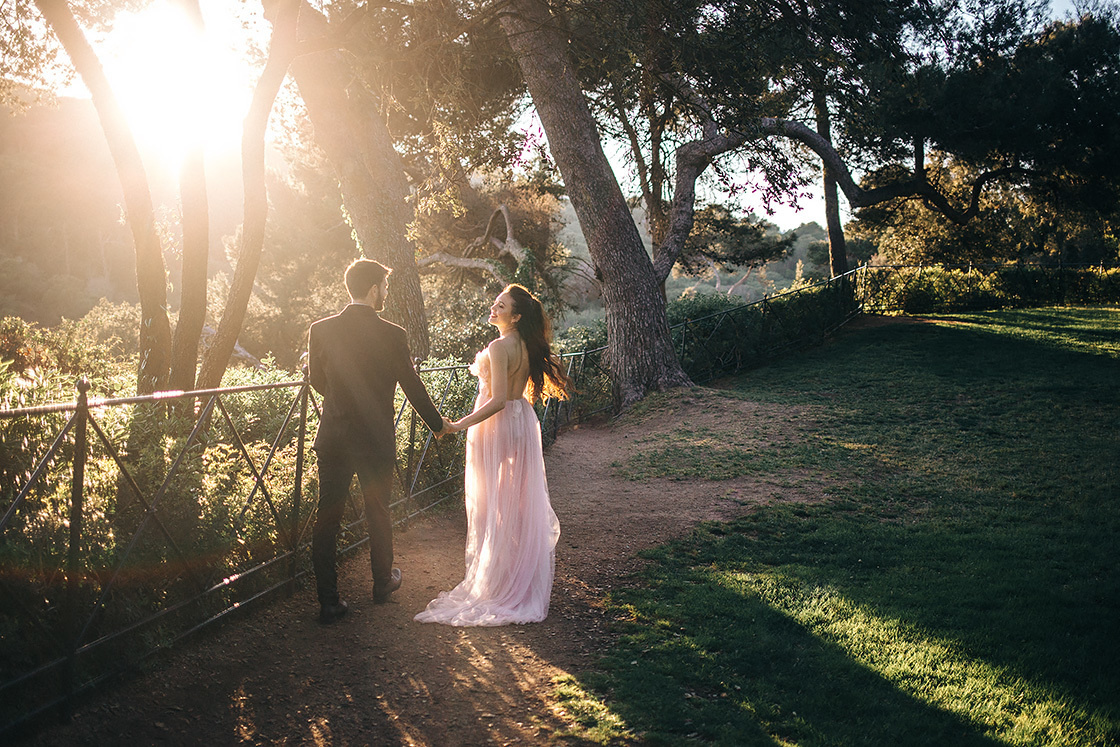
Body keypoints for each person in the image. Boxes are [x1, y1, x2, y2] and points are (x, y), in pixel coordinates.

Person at [415, 284, 573, 627]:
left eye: (500, 306)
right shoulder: (526, 344)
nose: (493, 308)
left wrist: (456, 425)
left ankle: (501, 582)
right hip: (522, 421)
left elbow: (497, 399)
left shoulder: (500, 346)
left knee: (494, 503)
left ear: (515, 316)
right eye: (495, 303)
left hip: (499, 425)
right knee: (515, 500)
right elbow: (514, 396)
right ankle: (515, 576)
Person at [307, 259, 447, 624]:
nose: (386, 292)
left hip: (334, 436)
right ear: (373, 289)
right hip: (374, 438)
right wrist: (437, 424)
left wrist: (341, 400)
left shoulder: (320, 330)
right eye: (384, 286)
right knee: (378, 511)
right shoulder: (392, 334)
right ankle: (383, 584)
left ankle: (328, 601)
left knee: (328, 517)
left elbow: (317, 381)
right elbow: (411, 385)